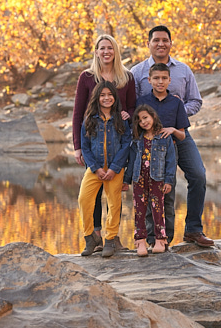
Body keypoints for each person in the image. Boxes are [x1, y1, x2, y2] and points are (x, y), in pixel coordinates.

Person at [131, 25, 214, 247]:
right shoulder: (136, 72)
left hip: (178, 132)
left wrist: (175, 112)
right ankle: (156, 237)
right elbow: (132, 105)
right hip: (149, 139)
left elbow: (195, 101)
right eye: (156, 40)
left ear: (170, 43)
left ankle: (194, 230)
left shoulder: (184, 70)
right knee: (156, 184)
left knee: (198, 175)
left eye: (165, 40)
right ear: (148, 43)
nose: (160, 44)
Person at [72, 34, 136, 248]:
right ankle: (95, 237)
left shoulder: (126, 77)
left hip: (117, 137)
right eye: (102, 48)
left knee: (113, 195)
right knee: (92, 192)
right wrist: (78, 146)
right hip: (93, 139)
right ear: (97, 52)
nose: (106, 51)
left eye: (110, 48)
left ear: (115, 51)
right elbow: (78, 112)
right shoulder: (87, 77)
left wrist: (127, 114)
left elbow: (132, 106)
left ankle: (112, 238)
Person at [136, 62, 189, 246]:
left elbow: (182, 134)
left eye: (164, 78)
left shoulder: (176, 103)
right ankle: (151, 239)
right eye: (156, 78)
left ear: (169, 80)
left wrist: (173, 129)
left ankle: (166, 238)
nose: (160, 82)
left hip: (167, 154)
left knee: (167, 196)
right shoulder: (142, 102)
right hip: (145, 154)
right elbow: (135, 131)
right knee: (148, 199)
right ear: (149, 80)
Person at [78, 81, 131, 258]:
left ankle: (110, 239)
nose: (107, 98)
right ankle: (90, 237)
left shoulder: (121, 119)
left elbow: (126, 144)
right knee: (84, 199)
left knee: (114, 203)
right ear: (97, 98)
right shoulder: (89, 119)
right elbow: (85, 147)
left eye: (110, 95)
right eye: (102, 95)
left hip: (115, 169)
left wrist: (115, 168)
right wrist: (95, 167)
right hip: (95, 169)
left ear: (115, 98)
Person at [124, 104, 176, 257]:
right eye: (140, 120)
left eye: (145, 117)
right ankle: (140, 241)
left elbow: (170, 161)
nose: (143, 122)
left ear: (153, 116)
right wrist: (126, 180)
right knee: (139, 211)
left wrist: (168, 181)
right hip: (139, 179)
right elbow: (132, 160)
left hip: (157, 179)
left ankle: (160, 239)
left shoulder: (164, 138)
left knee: (158, 209)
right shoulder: (137, 140)